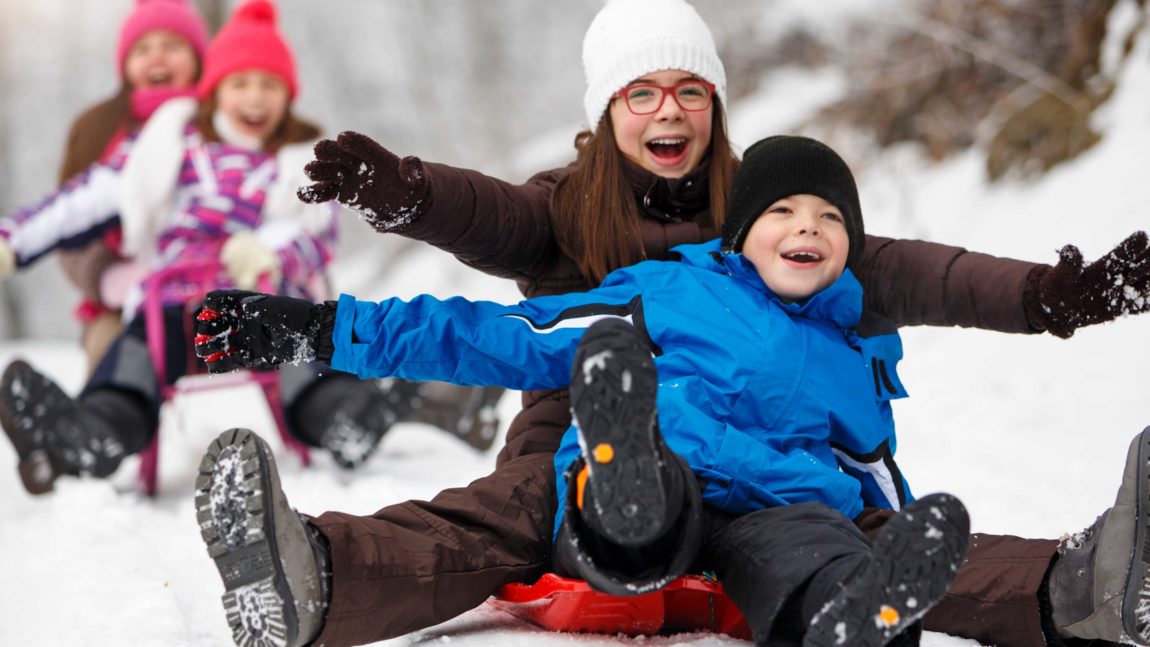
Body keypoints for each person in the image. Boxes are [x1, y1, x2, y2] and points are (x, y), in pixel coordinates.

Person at [189, 0, 1150, 645]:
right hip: (589, 414)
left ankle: (1085, 584)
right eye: (643, 91)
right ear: (608, 111)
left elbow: (922, 271)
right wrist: (397, 202)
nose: (670, 109)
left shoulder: (774, 207)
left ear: (717, 107)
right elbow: (488, 250)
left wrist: (1053, 296)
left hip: (768, 455)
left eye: (691, 89)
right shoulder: (572, 210)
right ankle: (312, 574)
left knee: (851, 528)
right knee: (516, 504)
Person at [195, 135, 976, 647]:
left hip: (780, 502)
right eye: (782, 209)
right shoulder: (669, 292)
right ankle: (621, 480)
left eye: (830, 218)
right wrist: (324, 329)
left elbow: (870, 467)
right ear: (739, 233)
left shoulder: (855, 349)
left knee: (815, 542)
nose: (808, 228)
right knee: (640, 491)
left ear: (851, 244)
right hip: (668, 465)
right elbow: (498, 335)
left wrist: (892, 537)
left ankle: (854, 612)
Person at [0, 0, 435, 493]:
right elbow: (81, 201)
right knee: (134, 358)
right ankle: (95, 431)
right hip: (171, 305)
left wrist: (269, 250)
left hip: (256, 304)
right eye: (240, 84)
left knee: (298, 341)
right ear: (214, 91)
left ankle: (344, 416)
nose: (255, 98)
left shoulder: (293, 163)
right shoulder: (169, 149)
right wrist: (13, 242)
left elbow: (315, 233)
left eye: (269, 85)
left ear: (287, 98)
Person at [53, 0, 210, 377]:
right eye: (142, 49)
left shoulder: (224, 121)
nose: (157, 57)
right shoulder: (98, 129)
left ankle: (325, 405)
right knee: (117, 352)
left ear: (197, 58)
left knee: (276, 330)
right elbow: (65, 224)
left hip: (220, 288)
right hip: (127, 305)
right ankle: (102, 427)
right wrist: (107, 277)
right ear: (125, 64)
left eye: (172, 46)